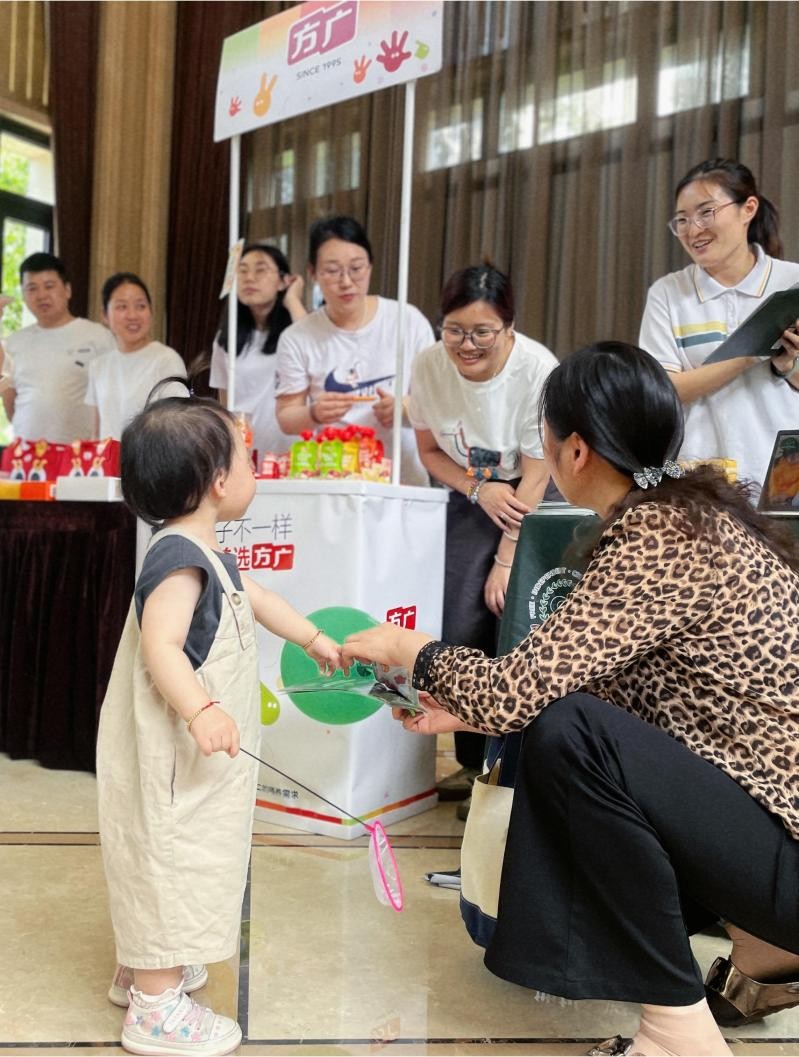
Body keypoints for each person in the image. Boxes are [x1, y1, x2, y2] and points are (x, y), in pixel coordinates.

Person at [342, 341, 799, 1057]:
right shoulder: (691, 513)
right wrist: (461, 704)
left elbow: (526, 695)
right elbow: (594, 683)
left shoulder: (660, 533)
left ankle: (675, 1034)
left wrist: (414, 650)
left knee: (567, 733)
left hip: (784, 847)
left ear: (575, 450)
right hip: (775, 833)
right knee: (563, 720)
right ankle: (767, 950)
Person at [96, 386, 342, 1055]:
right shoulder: (177, 562)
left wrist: (313, 637)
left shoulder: (207, 552)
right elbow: (161, 646)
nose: (254, 469)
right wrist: (201, 706)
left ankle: (149, 963)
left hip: (195, 762)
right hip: (174, 755)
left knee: (189, 854)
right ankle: (153, 1007)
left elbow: (256, 598)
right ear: (217, 482)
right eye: (247, 458)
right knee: (167, 855)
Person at [408, 265, 556, 812]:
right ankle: (472, 764)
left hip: (536, 496)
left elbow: (538, 473)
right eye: (454, 330)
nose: (466, 345)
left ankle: (509, 772)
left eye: (482, 332)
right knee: (458, 624)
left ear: (509, 327)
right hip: (472, 494)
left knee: (512, 621)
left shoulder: (536, 369)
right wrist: (478, 488)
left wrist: (507, 557)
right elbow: (429, 452)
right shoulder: (428, 364)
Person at [639, 158, 799, 490]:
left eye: (706, 212)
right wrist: (749, 355)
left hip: (783, 475)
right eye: (682, 220)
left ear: (748, 209)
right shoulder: (668, 293)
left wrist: (787, 366)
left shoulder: (791, 282)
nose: (693, 229)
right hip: (699, 476)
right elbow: (662, 391)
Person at [275, 215, 434, 486]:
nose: (346, 281)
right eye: (332, 271)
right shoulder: (297, 338)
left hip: (401, 479)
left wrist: (405, 409)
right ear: (312, 273)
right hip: (332, 479)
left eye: (356, 268)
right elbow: (287, 417)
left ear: (370, 267)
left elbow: (436, 404)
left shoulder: (408, 321)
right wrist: (314, 413)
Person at [1, 252, 115, 442]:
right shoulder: (14, 342)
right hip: (26, 452)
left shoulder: (98, 337)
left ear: (67, 290)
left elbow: (113, 397)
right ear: (24, 294)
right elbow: (10, 403)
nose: (41, 295)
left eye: (49, 286)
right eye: (32, 288)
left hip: (81, 452)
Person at [210, 242, 306, 459]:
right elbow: (225, 402)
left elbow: (314, 345)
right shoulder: (226, 339)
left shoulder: (295, 332)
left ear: (283, 281)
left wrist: (292, 300)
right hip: (246, 452)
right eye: (242, 271)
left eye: (260, 270)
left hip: (293, 450)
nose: (249, 278)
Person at [85, 272, 186, 439]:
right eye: (122, 307)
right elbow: (97, 431)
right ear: (105, 315)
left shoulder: (166, 359)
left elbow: (178, 426)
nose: (132, 315)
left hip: (150, 455)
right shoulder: (98, 366)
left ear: (151, 312)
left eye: (141, 306)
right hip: (108, 455)